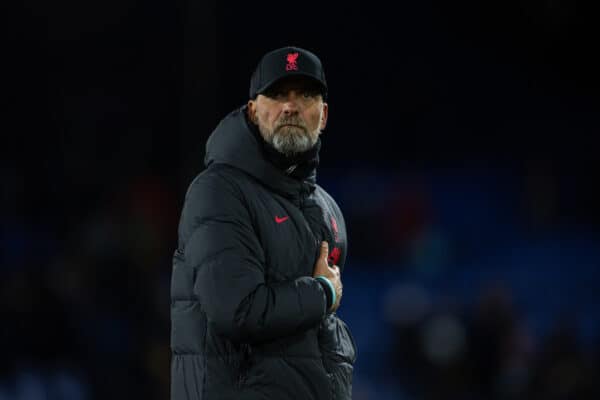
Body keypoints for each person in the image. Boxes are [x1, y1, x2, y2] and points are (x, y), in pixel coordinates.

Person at [170, 46, 357, 400]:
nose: (290, 106)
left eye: (305, 94)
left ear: (324, 115)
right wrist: (323, 292)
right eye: (276, 94)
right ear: (254, 112)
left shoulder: (328, 210)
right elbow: (236, 309)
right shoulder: (219, 190)